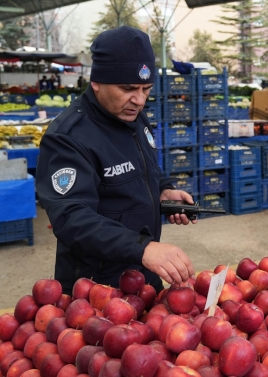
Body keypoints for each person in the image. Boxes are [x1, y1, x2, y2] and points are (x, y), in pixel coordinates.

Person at [36, 26, 195, 295]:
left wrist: (163, 190)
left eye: (146, 89)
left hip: (144, 273)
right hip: (96, 288)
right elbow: (71, 217)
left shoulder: (133, 116)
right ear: (96, 82)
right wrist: (143, 247)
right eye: (128, 88)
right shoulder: (68, 137)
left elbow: (144, 168)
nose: (139, 100)